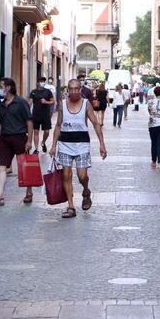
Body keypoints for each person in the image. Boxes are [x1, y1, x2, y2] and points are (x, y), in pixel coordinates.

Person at [50, 79, 107, 218]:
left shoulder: (86, 104)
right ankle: (70, 206)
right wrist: (53, 145)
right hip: (65, 144)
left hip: (82, 145)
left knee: (82, 176)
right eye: (71, 89)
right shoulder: (63, 105)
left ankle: (86, 191)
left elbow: (95, 123)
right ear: (68, 90)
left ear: (80, 89)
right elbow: (58, 125)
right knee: (66, 174)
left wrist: (102, 143)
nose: (74, 91)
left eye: (76, 89)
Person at [0, 78, 34, 206]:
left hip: (19, 137)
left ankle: (29, 192)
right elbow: (0, 123)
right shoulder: (2, 104)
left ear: (9, 87)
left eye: (2, 86)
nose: (0, 89)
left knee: (24, 166)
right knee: (1, 167)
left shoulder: (21, 102)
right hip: (5, 139)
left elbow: (29, 121)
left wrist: (29, 140)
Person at [29, 77, 55, 153]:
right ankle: (36, 149)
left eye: (43, 81)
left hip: (46, 115)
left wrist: (46, 102)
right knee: (36, 131)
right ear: (37, 82)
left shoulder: (48, 92)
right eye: (41, 81)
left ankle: (43, 142)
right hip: (36, 115)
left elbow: (53, 101)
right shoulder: (33, 92)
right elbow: (30, 102)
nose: (42, 82)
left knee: (47, 131)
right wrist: (27, 110)